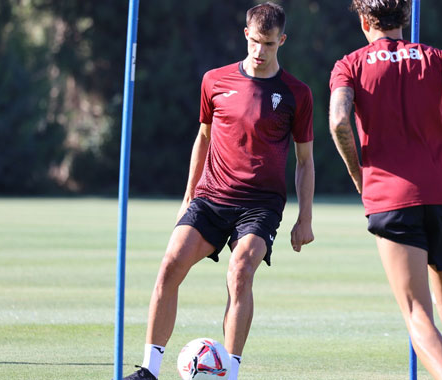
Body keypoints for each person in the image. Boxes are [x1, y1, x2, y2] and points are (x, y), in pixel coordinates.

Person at [122, 3, 315, 379]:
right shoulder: (214, 80)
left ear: (282, 41)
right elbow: (204, 138)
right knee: (169, 265)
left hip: (261, 205)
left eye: (270, 44)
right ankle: (149, 370)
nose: (261, 52)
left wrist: (304, 218)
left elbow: (305, 160)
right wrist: (187, 197)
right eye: (256, 42)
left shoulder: (296, 93)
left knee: (240, 270)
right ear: (246, 35)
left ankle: (231, 371)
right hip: (211, 196)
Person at [328, 1, 442, 379]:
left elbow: (339, 121)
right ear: (405, 20)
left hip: (390, 200)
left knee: (416, 313)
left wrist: (358, 174)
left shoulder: (350, 64)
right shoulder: (437, 58)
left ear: (364, 22)